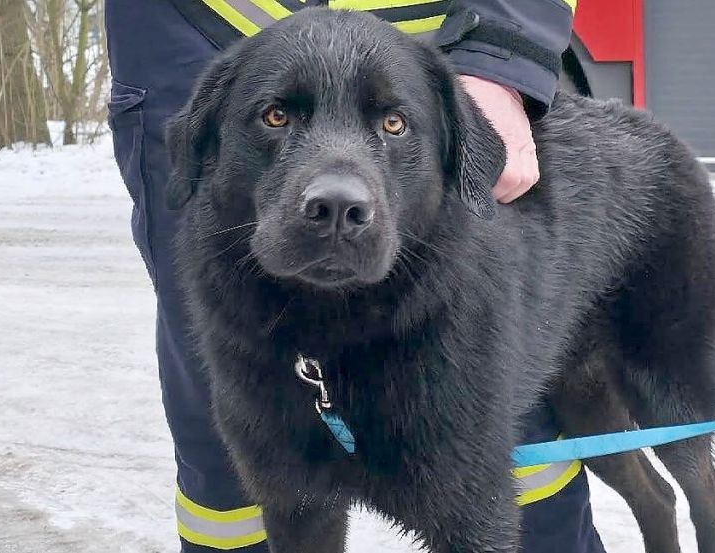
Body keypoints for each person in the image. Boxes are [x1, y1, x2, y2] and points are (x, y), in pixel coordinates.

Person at [105, 1, 605, 551]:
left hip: (442, 40)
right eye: (279, 119)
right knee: (228, 471)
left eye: (388, 125)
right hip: (190, 31)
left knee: (495, 446)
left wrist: (502, 54)